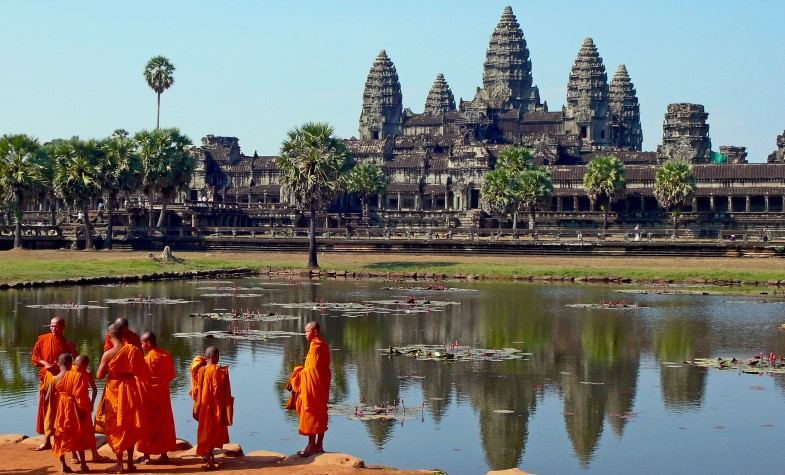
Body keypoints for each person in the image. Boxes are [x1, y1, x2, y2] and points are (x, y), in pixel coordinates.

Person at [95, 324, 151, 474]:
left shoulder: (108, 354)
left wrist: (109, 370)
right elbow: (144, 373)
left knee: (116, 427)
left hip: (114, 390)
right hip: (130, 389)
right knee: (130, 425)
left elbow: (99, 375)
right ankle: (130, 463)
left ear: (109, 335)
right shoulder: (133, 350)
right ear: (123, 334)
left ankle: (120, 464)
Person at [31, 316, 77, 451]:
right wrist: (45, 363)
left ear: (62, 327)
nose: (53, 328)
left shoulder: (67, 342)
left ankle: (63, 441)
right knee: (46, 409)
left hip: (62, 380)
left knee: (61, 411)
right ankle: (46, 441)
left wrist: (63, 362)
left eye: (56, 326)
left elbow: (74, 359)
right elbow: (35, 357)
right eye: (51, 326)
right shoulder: (42, 339)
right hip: (47, 377)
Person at [287, 321, 331, 457]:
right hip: (320, 385)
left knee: (311, 411)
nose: (305, 333)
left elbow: (311, 370)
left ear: (315, 332)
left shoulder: (316, 347)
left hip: (314, 386)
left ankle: (311, 445)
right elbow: (320, 369)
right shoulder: (322, 345)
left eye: (307, 331)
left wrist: (296, 373)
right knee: (320, 411)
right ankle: (319, 445)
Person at [136, 332, 176, 464]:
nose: (141, 346)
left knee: (147, 424)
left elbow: (140, 378)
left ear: (148, 343)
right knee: (163, 424)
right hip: (162, 397)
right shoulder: (166, 355)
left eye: (142, 343)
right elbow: (170, 376)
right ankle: (164, 455)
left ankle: (146, 456)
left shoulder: (147, 359)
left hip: (147, 398)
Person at [48, 352, 89, 474]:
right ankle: (83, 465)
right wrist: (83, 411)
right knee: (78, 435)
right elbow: (80, 396)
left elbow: (48, 398)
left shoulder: (54, 379)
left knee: (60, 437)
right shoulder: (76, 376)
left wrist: (53, 412)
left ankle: (63, 466)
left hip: (60, 411)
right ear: (71, 364)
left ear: (58, 364)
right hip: (74, 410)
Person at [192, 346, 233, 470]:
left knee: (206, 428)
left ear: (206, 357)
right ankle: (207, 456)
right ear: (216, 357)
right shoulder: (221, 371)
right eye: (218, 356)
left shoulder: (201, 370)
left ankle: (208, 454)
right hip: (217, 407)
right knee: (214, 429)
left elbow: (197, 388)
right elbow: (226, 391)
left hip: (204, 405)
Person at [71, 355, 110, 464]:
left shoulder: (87, 375)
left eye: (81, 366)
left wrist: (92, 402)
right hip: (72, 407)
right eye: (77, 365)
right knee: (73, 430)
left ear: (85, 365)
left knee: (88, 431)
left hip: (85, 405)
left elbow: (94, 389)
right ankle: (74, 455)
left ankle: (95, 455)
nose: (78, 368)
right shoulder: (70, 372)